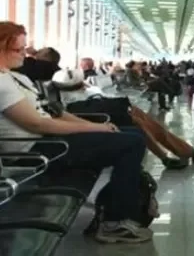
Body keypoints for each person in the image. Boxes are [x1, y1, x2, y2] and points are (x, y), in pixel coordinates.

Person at [0, 21, 152, 244]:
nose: (25, 53)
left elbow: (55, 113)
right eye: (18, 49)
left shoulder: (16, 77)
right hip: (36, 150)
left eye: (24, 48)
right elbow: (38, 125)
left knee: (132, 133)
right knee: (132, 144)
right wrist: (95, 127)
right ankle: (115, 221)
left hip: (50, 142)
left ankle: (113, 207)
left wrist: (96, 126)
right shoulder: (2, 83)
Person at [52, 69, 194, 169]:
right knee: (138, 123)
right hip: (99, 117)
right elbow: (77, 110)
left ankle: (185, 152)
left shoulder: (82, 88)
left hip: (108, 110)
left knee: (148, 122)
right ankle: (169, 156)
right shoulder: (71, 97)